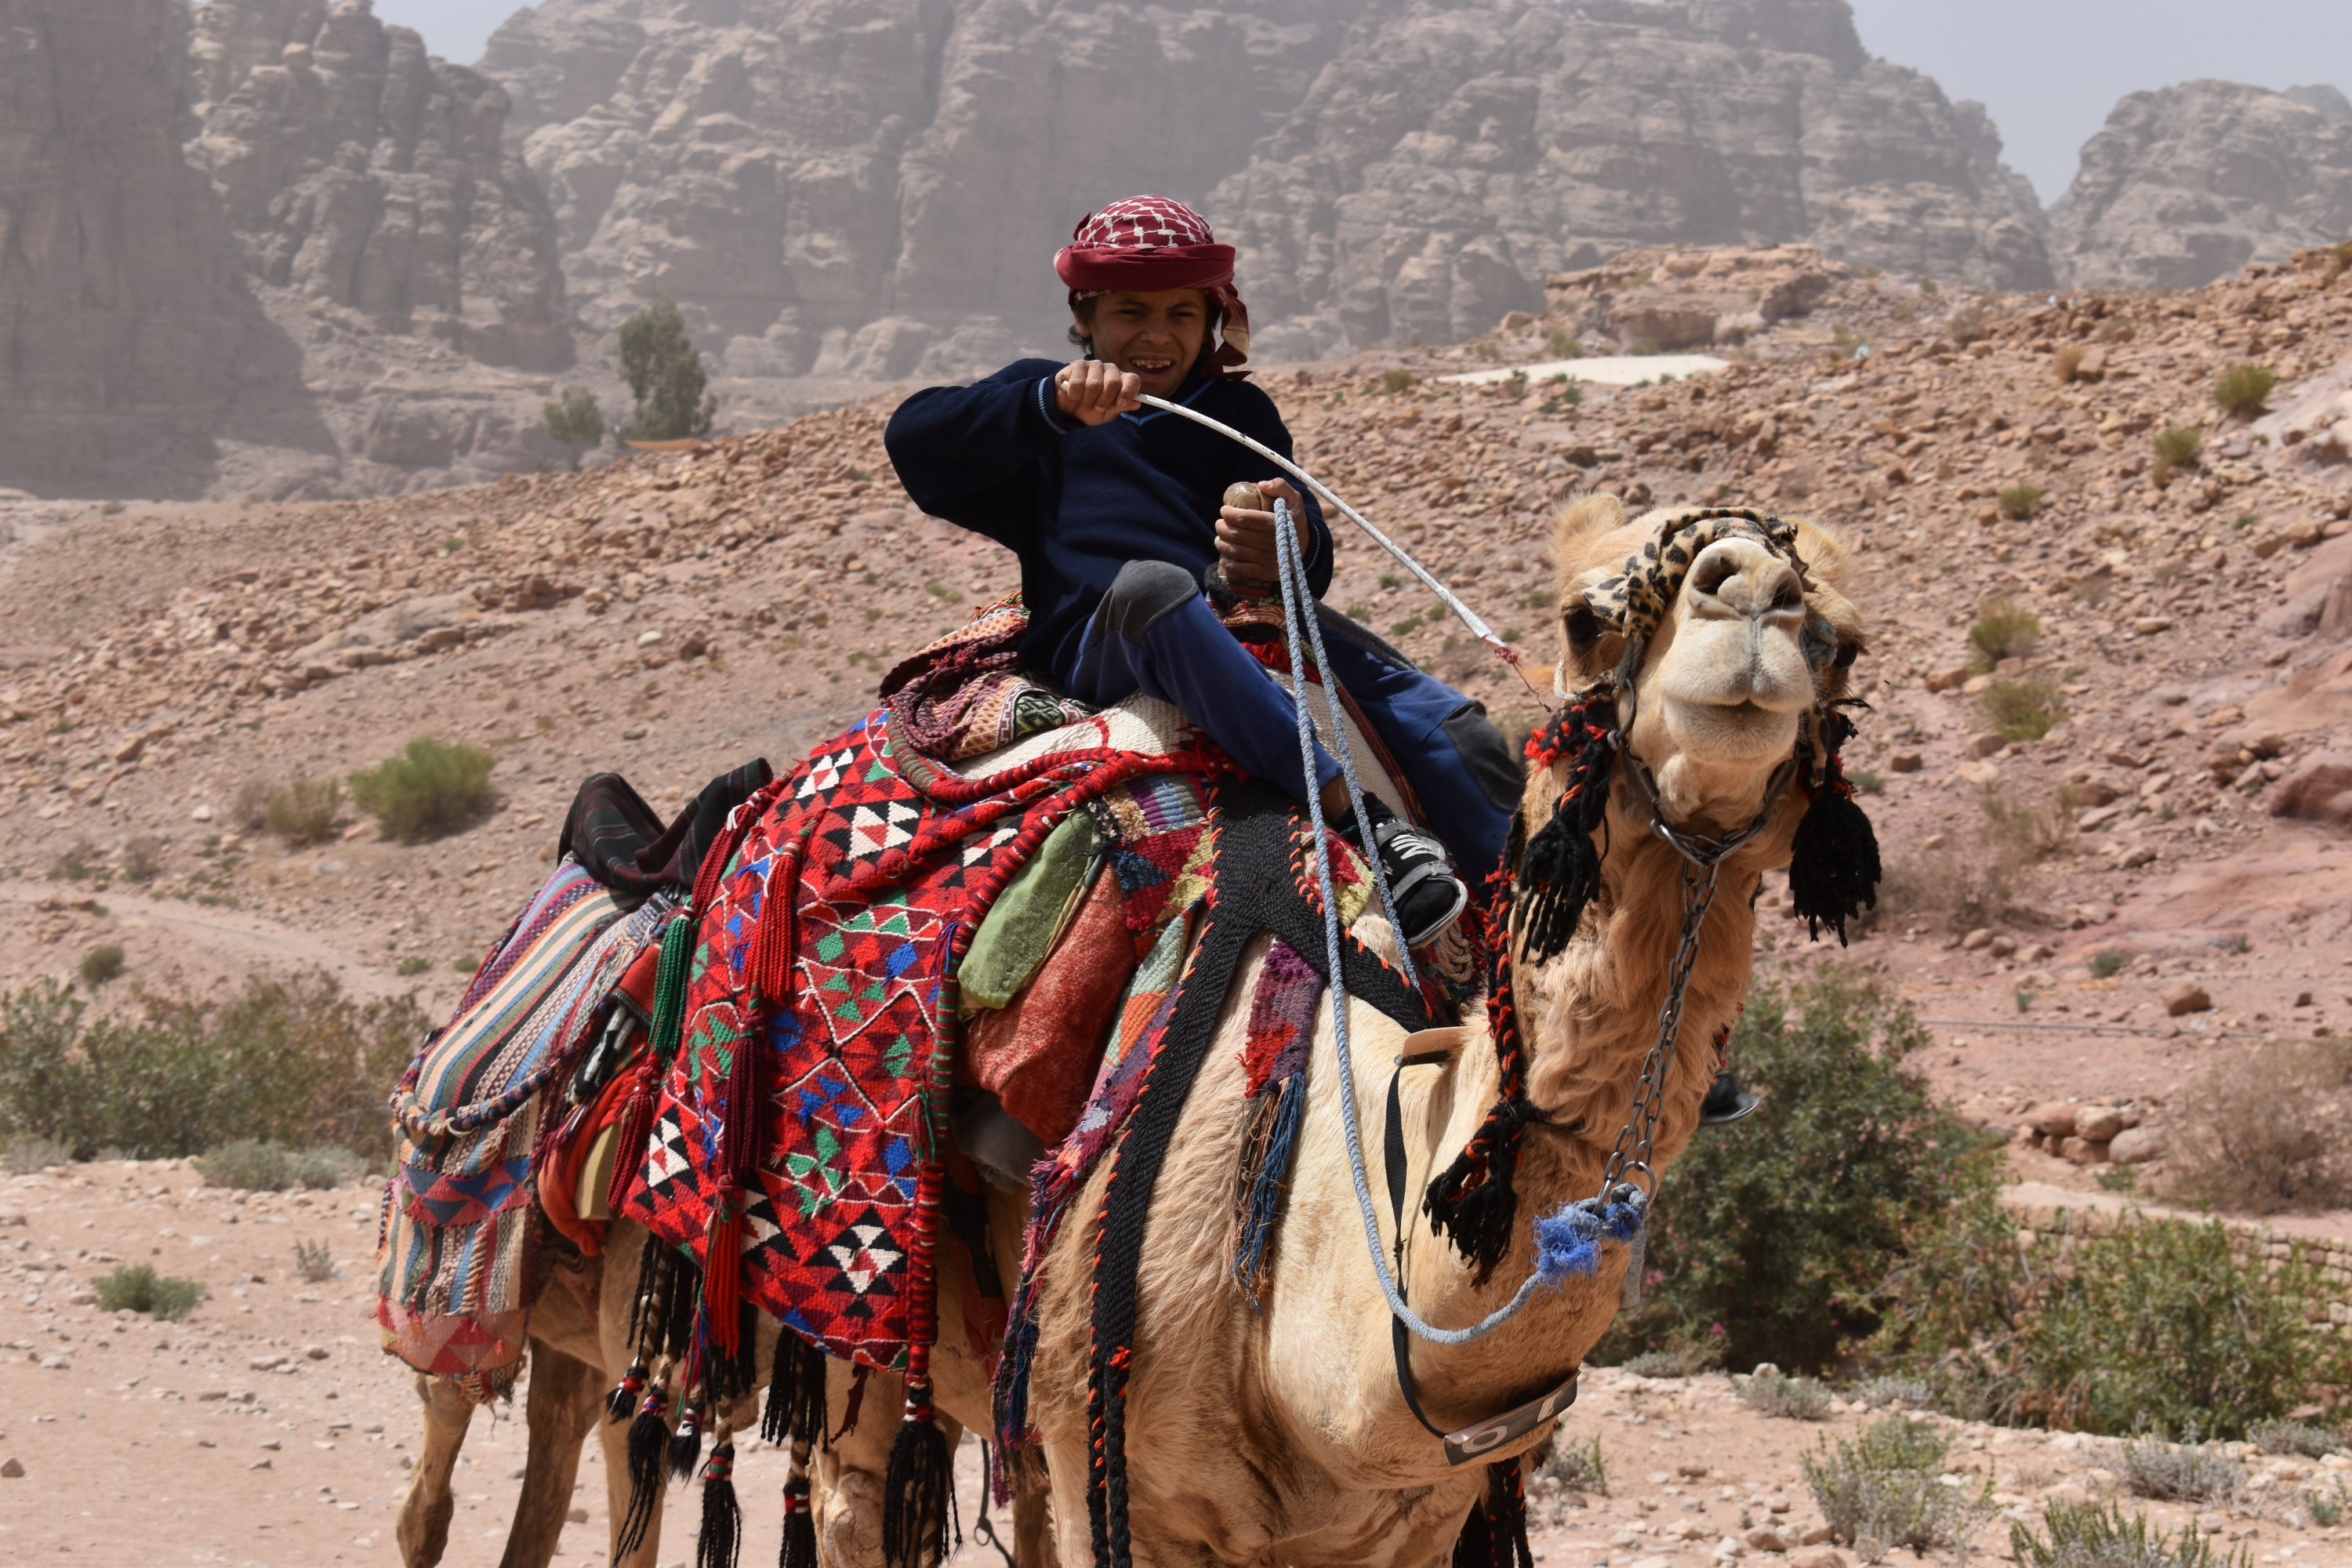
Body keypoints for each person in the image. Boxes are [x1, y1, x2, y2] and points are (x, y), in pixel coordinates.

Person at [884, 195, 1519, 946]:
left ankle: (1521, 921)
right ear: (1085, 317)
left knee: (1456, 728)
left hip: (1243, 623)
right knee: (1155, 589)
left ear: (1211, 321)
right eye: (1130, 312)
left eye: (1182, 314)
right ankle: (1364, 824)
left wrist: (1288, 542)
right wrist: (1047, 404)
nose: (1157, 336)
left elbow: (1310, 560)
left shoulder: (1237, 412)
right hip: (1109, 639)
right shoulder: (1044, 400)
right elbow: (914, 437)